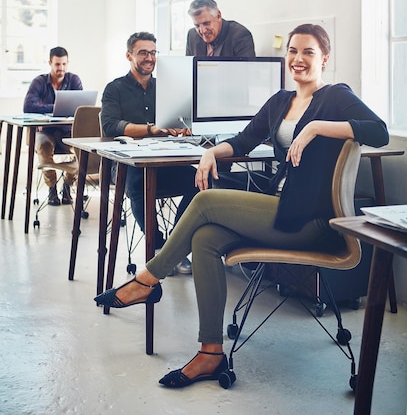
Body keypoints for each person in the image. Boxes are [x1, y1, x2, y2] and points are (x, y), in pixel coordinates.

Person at [95, 23, 389, 388]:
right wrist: (209, 154)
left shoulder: (335, 96)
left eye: (308, 52)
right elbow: (242, 141)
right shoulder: (281, 101)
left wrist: (315, 128)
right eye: (293, 51)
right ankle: (210, 353)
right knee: (205, 239)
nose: (298, 59)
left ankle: (149, 279)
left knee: (204, 200)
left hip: (310, 219)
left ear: (325, 58)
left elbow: (379, 131)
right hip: (279, 206)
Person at [100, 31, 199, 275]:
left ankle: (174, 247)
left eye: (153, 52)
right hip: (127, 166)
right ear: (129, 55)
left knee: (200, 180)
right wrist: (150, 129)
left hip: (164, 160)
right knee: (139, 181)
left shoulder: (165, 86)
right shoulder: (115, 89)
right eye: (143, 52)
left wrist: (184, 128)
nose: (150, 58)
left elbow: (181, 119)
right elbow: (110, 126)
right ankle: (157, 244)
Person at [23, 46, 82, 206]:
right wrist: (57, 107)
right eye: (57, 64)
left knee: (81, 150)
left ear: (67, 63)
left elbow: (80, 107)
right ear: (50, 63)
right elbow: (28, 106)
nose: (61, 68)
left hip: (67, 131)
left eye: (64, 64)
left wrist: (45, 107)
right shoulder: (40, 81)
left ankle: (68, 187)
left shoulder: (74, 80)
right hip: (45, 131)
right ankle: (52, 188)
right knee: (43, 146)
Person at [185, 0, 255, 57]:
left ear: (218, 16)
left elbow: (247, 71)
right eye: (197, 26)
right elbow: (188, 69)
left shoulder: (240, 36)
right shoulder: (192, 36)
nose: (202, 30)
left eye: (206, 23)